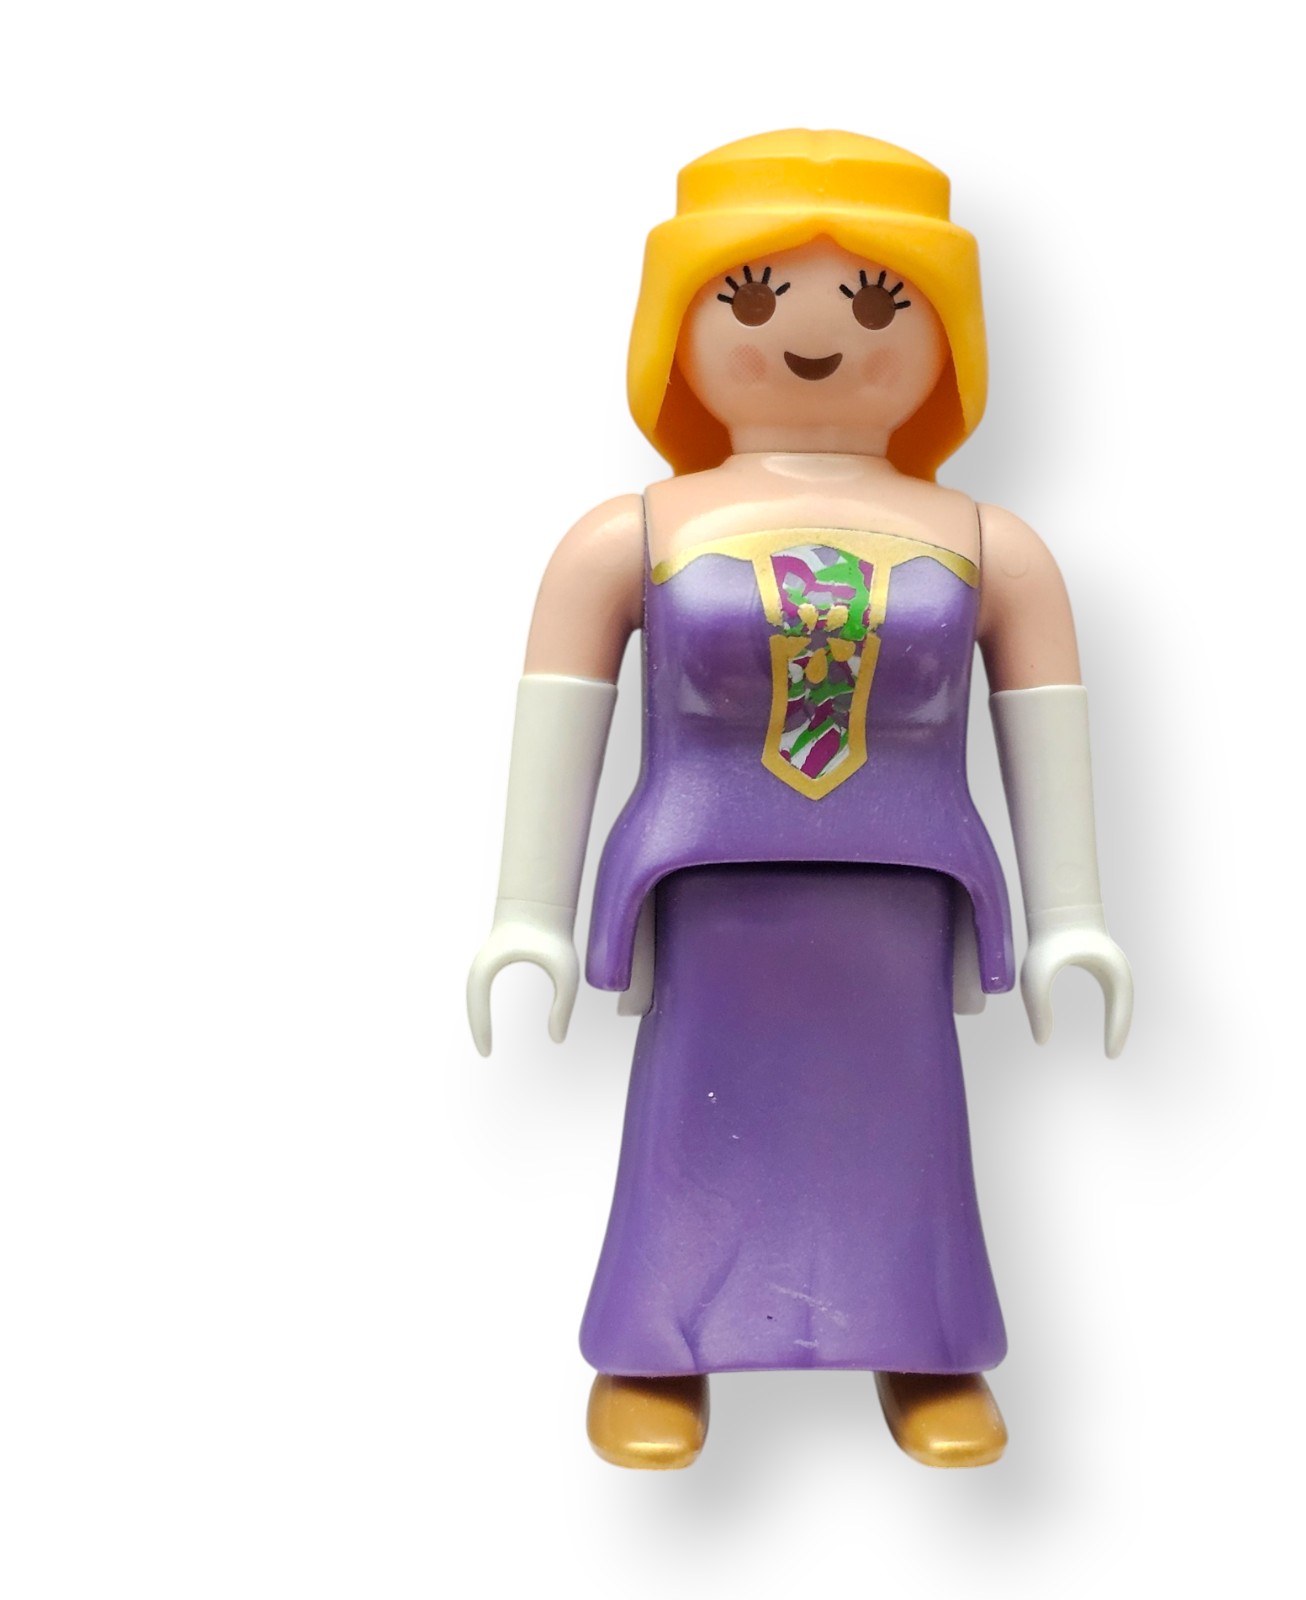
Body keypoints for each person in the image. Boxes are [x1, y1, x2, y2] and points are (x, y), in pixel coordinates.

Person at [466, 129, 1133, 1470]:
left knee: (905, 1122)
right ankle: (660, 1344)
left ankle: (924, 1340)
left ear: (949, 335)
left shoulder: (991, 547)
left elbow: (1045, 722)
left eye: (879, 305)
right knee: (692, 1116)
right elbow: (560, 714)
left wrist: (1073, 918)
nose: (815, 337)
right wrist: (526, 912)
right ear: (678, 324)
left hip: (900, 893)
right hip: (710, 888)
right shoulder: (632, 535)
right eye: (756, 296)